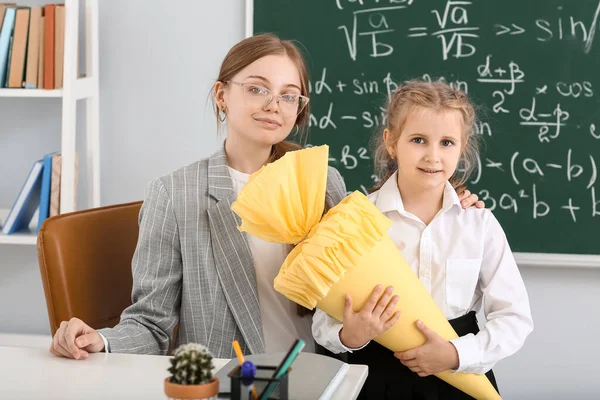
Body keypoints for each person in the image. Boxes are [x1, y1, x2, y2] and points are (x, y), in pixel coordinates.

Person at [49, 35, 484, 361]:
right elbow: (152, 322)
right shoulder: (173, 194)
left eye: (288, 95)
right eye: (257, 88)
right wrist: (102, 340)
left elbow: (372, 258)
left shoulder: (322, 181)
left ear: (299, 109)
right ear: (222, 95)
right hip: (231, 379)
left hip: (322, 372)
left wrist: (452, 201)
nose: (273, 105)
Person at [312, 80, 534, 399]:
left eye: (447, 143)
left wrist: (458, 354)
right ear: (391, 142)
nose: (433, 155)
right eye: (418, 140)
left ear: (462, 146)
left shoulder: (478, 223)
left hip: (459, 377)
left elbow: (514, 317)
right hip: (376, 378)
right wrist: (350, 335)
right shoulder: (355, 220)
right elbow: (323, 322)